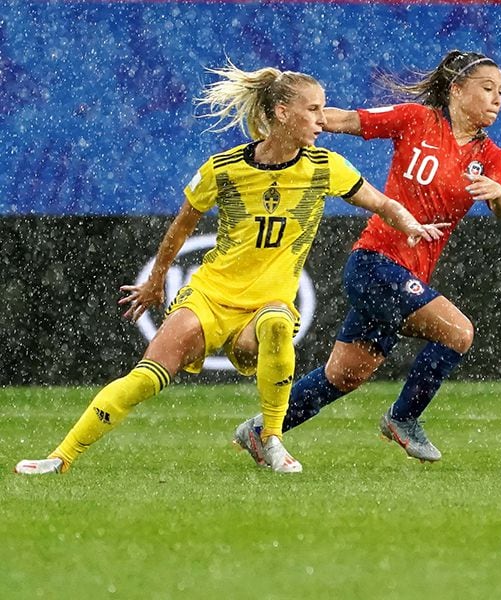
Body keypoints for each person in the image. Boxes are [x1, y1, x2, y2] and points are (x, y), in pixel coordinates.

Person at [14, 62, 445, 475]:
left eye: (322, 109)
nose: (322, 119)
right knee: (145, 380)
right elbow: (181, 227)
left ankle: (271, 438)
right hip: (210, 296)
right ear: (282, 112)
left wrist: (410, 225)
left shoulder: (324, 167)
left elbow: (384, 203)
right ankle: (60, 457)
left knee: (277, 322)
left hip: (264, 306)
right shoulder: (224, 168)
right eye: (312, 109)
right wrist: (156, 280)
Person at [233, 50, 501, 465]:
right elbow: (348, 120)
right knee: (458, 333)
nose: (496, 100)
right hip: (375, 262)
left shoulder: (490, 157)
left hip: (404, 273)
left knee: (343, 377)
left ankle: (260, 431)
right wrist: (300, 116)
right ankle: (402, 418)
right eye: (487, 89)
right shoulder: (416, 120)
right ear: (455, 90)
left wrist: (498, 193)